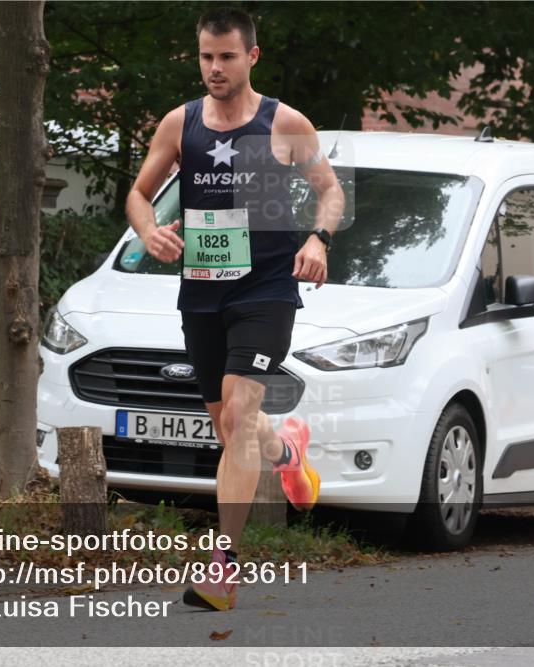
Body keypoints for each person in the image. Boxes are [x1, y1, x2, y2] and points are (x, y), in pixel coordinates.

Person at [125, 7, 344, 611]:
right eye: (205, 57)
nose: (214, 68)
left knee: (241, 408)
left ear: (252, 56)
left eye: (226, 56)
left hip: (268, 287)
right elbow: (140, 195)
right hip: (201, 291)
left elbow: (329, 189)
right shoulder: (181, 123)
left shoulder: (283, 122)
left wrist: (317, 239)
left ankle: (222, 567)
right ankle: (286, 450)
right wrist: (149, 232)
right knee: (233, 428)